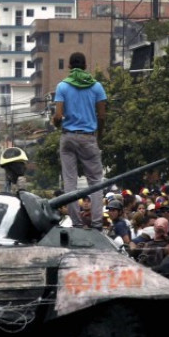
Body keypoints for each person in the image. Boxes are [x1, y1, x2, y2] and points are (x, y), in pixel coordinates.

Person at [52, 52, 107, 231]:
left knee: (70, 182)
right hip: (89, 137)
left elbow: (58, 115)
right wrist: (100, 136)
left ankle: (76, 223)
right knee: (96, 182)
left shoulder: (62, 87)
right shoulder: (97, 87)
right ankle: (97, 223)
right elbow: (102, 115)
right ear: (85, 66)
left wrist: (56, 121)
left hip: (68, 137)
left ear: (69, 66)